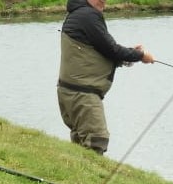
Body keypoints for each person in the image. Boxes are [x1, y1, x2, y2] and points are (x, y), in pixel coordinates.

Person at [57, 0, 154, 155]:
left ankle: (77, 170)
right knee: (96, 141)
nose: (103, 1)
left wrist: (131, 55)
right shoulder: (88, 15)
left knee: (80, 144)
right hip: (82, 95)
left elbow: (100, 51)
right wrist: (141, 55)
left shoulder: (78, 13)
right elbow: (112, 49)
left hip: (70, 92)